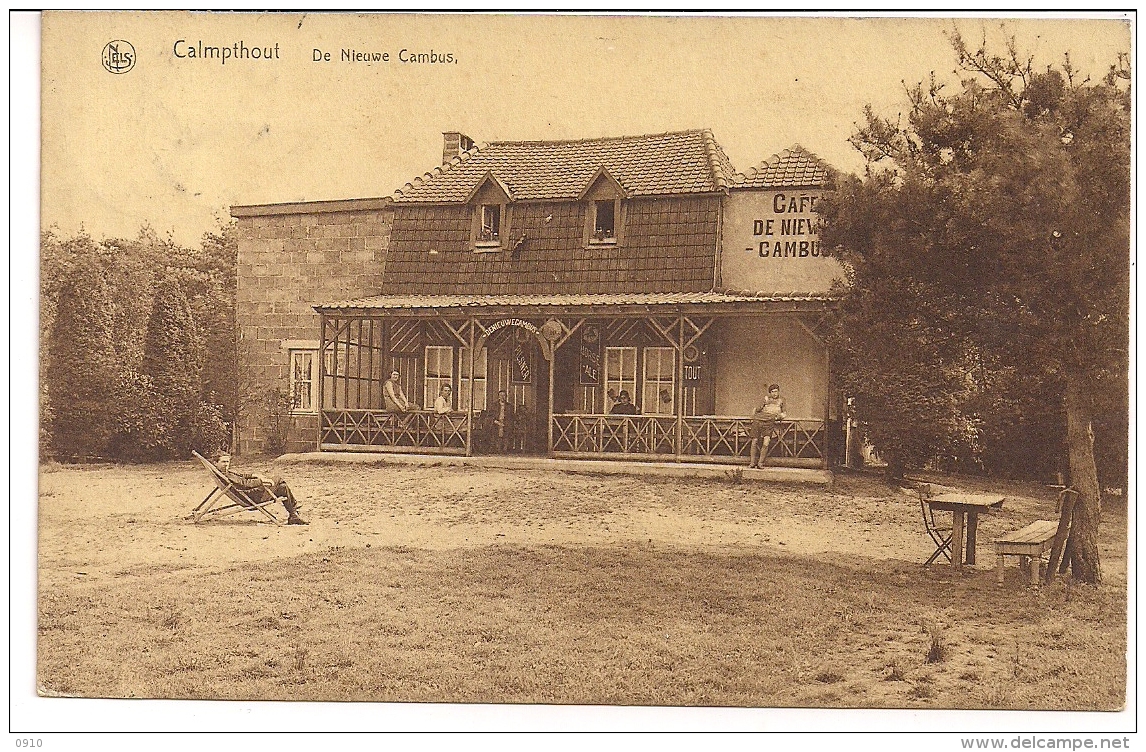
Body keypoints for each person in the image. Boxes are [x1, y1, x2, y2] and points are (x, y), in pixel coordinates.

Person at [218, 454, 307, 525]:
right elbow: (245, 484)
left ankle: (293, 514)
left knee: (282, 487)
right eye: (223, 462)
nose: (226, 464)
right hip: (253, 498)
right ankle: (294, 508)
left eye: (227, 461)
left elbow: (242, 477)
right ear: (216, 463)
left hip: (250, 495)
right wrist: (262, 481)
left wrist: (253, 475)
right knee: (278, 479)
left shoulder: (224, 473)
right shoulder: (226, 475)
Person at [749, 383, 787, 469]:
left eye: (776, 391)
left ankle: (760, 463)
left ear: (778, 392)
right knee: (754, 441)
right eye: (772, 392)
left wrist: (779, 416)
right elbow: (756, 409)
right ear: (770, 393)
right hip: (758, 420)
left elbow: (784, 413)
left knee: (766, 442)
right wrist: (763, 403)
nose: (774, 394)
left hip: (769, 422)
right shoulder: (766, 399)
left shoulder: (782, 400)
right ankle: (752, 463)